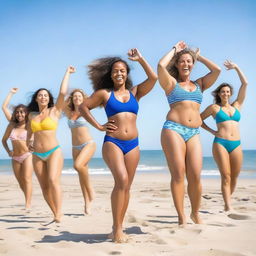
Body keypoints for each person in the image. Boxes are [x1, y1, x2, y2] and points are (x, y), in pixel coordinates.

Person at [79, 48, 157, 242]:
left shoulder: (135, 92)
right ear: (111, 75)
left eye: (122, 70)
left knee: (127, 186)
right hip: (113, 142)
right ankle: (117, 228)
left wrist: (140, 59)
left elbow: (154, 78)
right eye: (115, 71)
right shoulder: (104, 94)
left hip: (133, 144)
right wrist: (98, 126)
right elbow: (83, 107)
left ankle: (118, 228)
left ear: (126, 73)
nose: (119, 73)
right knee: (121, 180)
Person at [157, 41, 221, 225]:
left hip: (193, 132)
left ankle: (195, 212)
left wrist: (198, 56)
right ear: (177, 64)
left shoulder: (200, 83)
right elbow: (161, 65)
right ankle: (181, 216)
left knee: (195, 175)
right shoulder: (170, 83)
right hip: (173, 130)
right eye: (182, 61)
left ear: (193, 64)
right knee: (178, 174)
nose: (186, 64)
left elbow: (216, 71)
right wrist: (175, 50)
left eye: (189, 61)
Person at [26, 66, 74, 223]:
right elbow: (29, 131)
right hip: (37, 155)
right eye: (40, 95)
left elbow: (62, 93)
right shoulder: (32, 115)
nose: (43, 97)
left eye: (45, 95)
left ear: (49, 98)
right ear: (36, 99)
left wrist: (67, 73)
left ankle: (59, 213)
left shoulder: (55, 111)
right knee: (44, 187)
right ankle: (55, 214)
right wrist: (28, 141)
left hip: (53, 151)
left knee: (53, 180)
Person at [201, 60, 248, 212]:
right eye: (223, 91)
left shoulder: (237, 105)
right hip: (220, 142)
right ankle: (228, 206)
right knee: (226, 175)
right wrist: (212, 131)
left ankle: (227, 199)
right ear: (219, 94)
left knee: (234, 177)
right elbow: (199, 120)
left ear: (230, 94)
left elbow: (245, 84)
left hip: (236, 144)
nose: (225, 94)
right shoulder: (214, 108)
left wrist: (236, 67)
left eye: (228, 91)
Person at [64, 88, 96, 214]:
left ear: (84, 98)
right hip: (75, 147)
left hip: (88, 144)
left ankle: (91, 190)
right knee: (81, 176)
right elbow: (61, 99)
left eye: (79, 96)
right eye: (75, 96)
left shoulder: (86, 110)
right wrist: (70, 93)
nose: (77, 98)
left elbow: (95, 99)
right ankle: (87, 204)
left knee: (77, 166)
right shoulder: (68, 112)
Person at [2, 88, 33, 210]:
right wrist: (8, 151)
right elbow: (3, 140)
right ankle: (28, 197)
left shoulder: (30, 125)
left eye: (22, 112)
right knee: (21, 182)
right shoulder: (12, 125)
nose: (19, 114)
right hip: (15, 157)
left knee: (27, 179)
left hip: (27, 155)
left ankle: (28, 204)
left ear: (26, 113)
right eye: (17, 112)